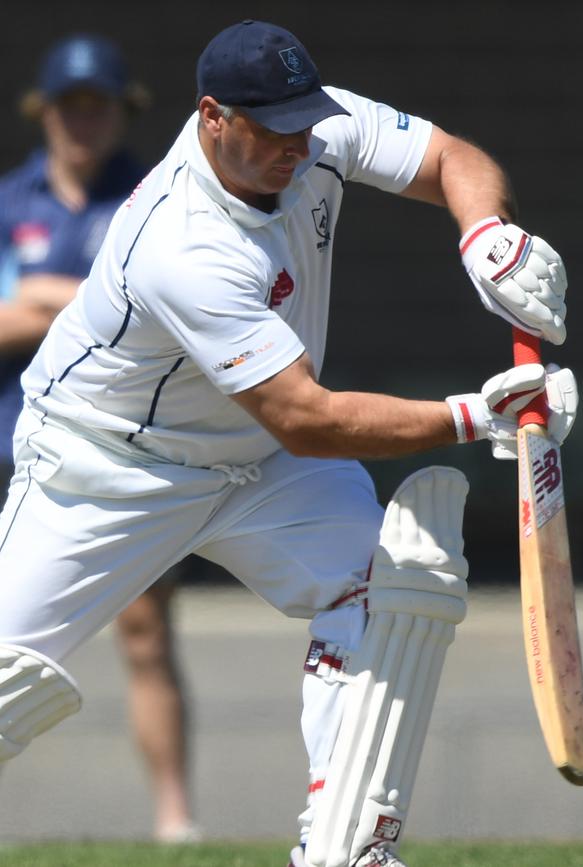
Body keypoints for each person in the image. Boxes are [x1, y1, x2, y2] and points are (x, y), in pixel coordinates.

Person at [0, 20, 576, 867]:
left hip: (258, 464)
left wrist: (487, 236)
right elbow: (306, 417)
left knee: (386, 588)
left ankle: (343, 845)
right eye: (272, 129)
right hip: (107, 466)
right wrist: (474, 418)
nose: (296, 148)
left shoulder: (316, 128)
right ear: (212, 117)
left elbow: (454, 157)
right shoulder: (181, 242)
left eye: (303, 124)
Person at [0, 34, 200, 842]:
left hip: (123, 447)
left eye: (100, 105)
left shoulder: (154, 199)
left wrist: (44, 296)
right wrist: (84, 300)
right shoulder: (11, 201)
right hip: (10, 439)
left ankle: (177, 821)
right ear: (45, 114)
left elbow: (165, 314)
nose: (84, 120)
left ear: (123, 113)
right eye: (71, 105)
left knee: (147, 630)